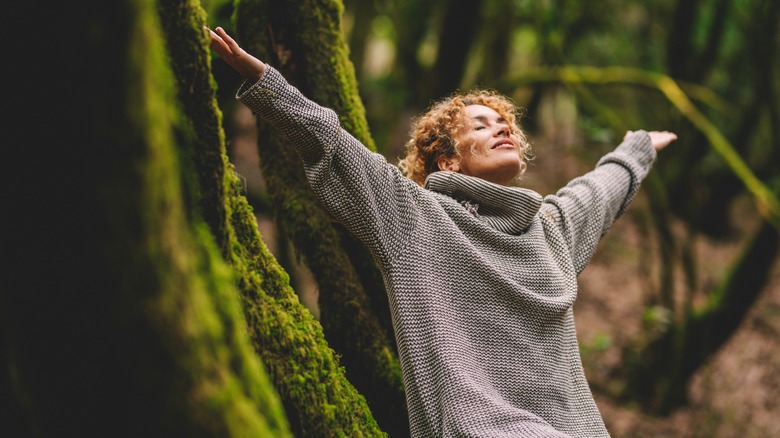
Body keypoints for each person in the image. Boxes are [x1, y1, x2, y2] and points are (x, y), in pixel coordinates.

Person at [208, 26, 676, 438]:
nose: (502, 129)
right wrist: (264, 82)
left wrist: (638, 149)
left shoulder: (549, 229)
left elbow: (598, 191)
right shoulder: (416, 219)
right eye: (482, 124)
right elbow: (334, 145)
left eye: (506, 124)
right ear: (449, 160)